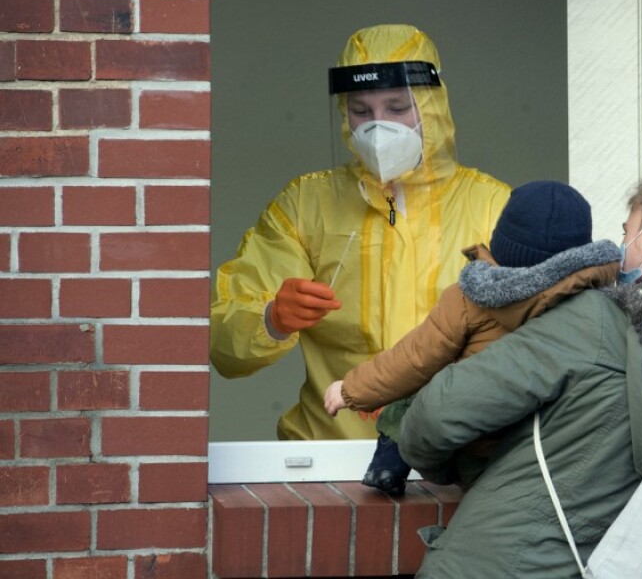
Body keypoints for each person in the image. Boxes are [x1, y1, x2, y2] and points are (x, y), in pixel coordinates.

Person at [398, 171, 642, 578]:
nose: (620, 248)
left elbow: (439, 413)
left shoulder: (602, 321)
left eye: (627, 232)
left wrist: (454, 470)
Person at [210, 24, 511, 441]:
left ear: (433, 107)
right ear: (343, 112)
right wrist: (270, 320)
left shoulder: (494, 208)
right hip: (332, 454)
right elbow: (222, 343)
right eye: (361, 111)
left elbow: (535, 339)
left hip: (452, 453)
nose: (378, 127)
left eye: (397, 107)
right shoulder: (306, 205)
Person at [323, 180, 621, 495]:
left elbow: (414, 357)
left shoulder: (471, 299)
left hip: (479, 456)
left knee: (423, 382)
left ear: (502, 241)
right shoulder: (594, 305)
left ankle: (388, 462)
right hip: (554, 460)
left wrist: (351, 389)